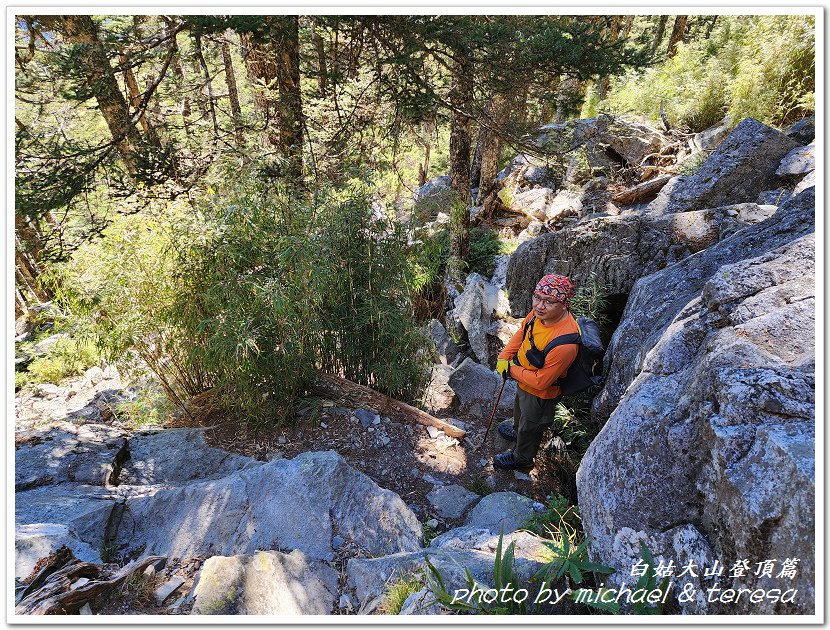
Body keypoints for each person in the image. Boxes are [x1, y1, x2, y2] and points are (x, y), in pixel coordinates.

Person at [494, 274, 580, 470]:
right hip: (523, 380)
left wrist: (511, 369)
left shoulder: (565, 342)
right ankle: (517, 431)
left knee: (531, 426)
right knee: (519, 412)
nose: (540, 305)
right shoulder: (537, 316)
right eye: (537, 297)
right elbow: (521, 334)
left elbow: (542, 382)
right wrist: (503, 358)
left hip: (541, 394)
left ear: (564, 304)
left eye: (549, 301)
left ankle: (522, 458)